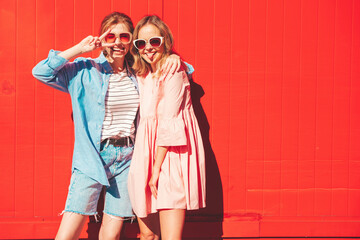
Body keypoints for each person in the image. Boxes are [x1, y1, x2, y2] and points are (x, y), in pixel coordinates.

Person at [32, 12, 181, 240]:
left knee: (111, 233)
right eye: (111, 37)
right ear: (103, 39)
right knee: (68, 231)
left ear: (131, 40)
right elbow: (41, 71)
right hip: (92, 157)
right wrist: (80, 48)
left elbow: (181, 70)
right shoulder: (83, 70)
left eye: (124, 36)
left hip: (128, 159)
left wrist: (172, 57)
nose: (118, 42)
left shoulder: (138, 73)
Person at [128, 15, 206, 240]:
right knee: (147, 235)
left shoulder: (173, 70)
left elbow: (169, 123)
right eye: (141, 43)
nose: (148, 48)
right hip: (145, 153)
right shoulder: (144, 74)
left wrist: (155, 170)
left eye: (155, 41)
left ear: (165, 41)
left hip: (169, 157)